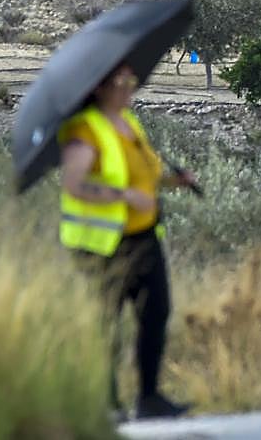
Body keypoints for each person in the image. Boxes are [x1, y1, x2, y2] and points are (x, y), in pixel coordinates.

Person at [58, 63, 196, 421]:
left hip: (144, 237)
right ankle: (105, 403)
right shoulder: (85, 130)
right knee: (106, 322)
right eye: (120, 83)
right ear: (98, 88)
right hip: (103, 244)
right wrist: (124, 196)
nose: (128, 88)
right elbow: (74, 184)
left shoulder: (129, 123)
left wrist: (170, 182)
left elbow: (143, 177)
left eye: (131, 81)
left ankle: (149, 398)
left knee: (156, 313)